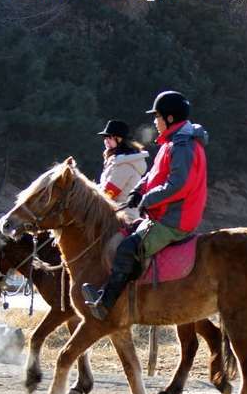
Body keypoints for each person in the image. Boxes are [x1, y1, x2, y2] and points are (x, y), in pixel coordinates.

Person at [82, 91, 209, 320]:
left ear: (169, 118)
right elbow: (153, 174)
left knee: (128, 248)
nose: (154, 121)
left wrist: (146, 199)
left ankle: (106, 303)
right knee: (122, 237)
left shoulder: (182, 146)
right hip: (163, 215)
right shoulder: (172, 142)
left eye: (157, 116)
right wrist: (138, 191)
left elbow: (178, 185)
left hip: (174, 220)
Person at [96, 119, 149, 221]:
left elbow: (109, 193)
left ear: (120, 139)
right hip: (114, 213)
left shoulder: (124, 165)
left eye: (110, 137)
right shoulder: (119, 161)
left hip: (124, 218)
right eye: (105, 137)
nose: (106, 140)